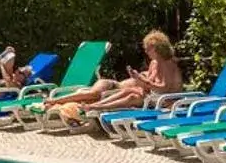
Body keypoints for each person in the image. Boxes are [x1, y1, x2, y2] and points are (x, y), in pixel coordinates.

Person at [55, 32, 183, 127]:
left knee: (131, 97)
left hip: (166, 100)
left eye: (148, 48)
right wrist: (137, 78)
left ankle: (97, 107)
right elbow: (148, 84)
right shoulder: (154, 63)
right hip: (155, 96)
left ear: (157, 48)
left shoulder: (167, 64)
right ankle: (96, 105)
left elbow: (164, 87)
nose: (146, 51)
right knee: (127, 91)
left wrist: (143, 81)